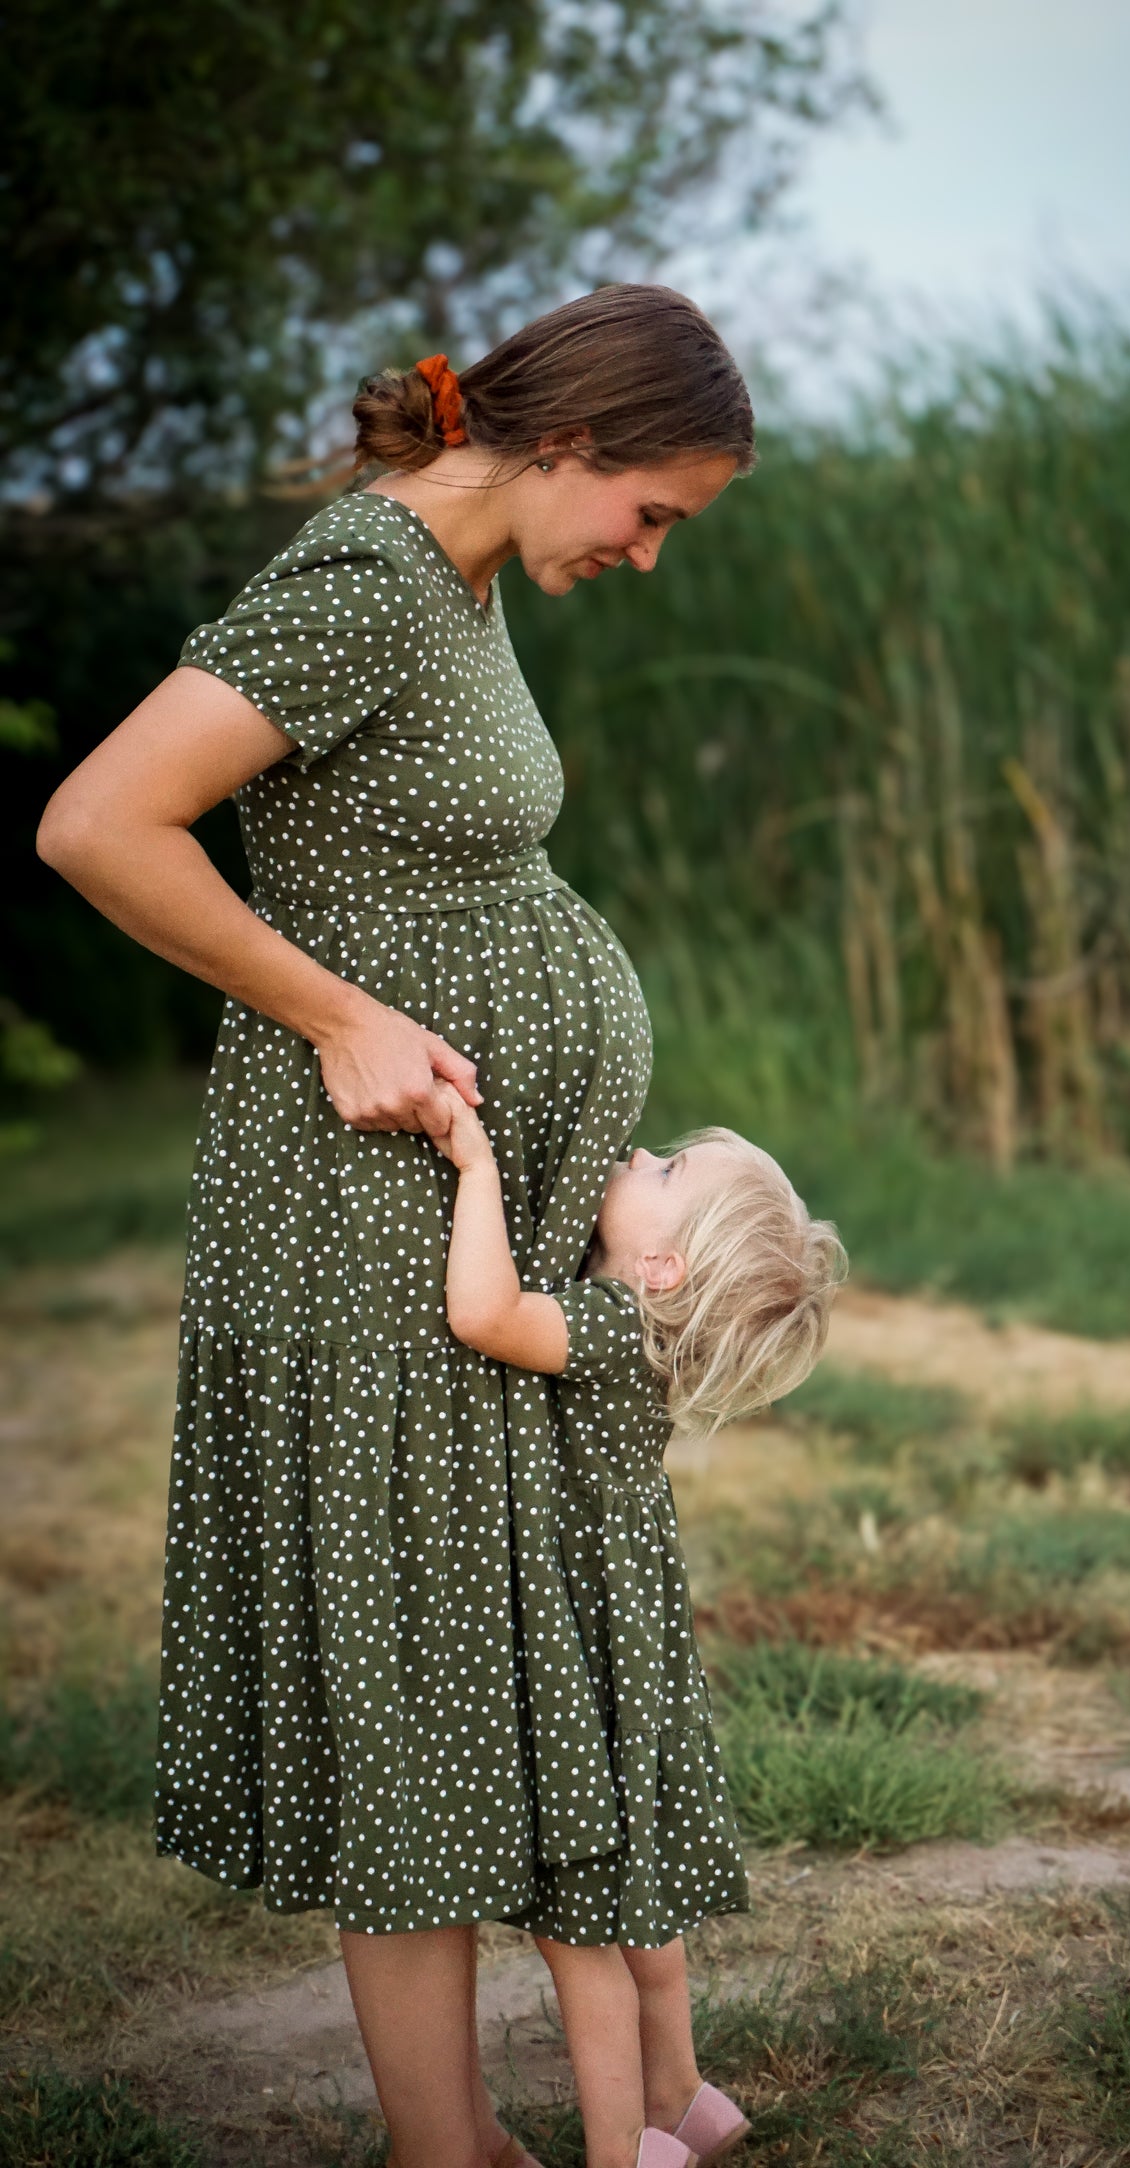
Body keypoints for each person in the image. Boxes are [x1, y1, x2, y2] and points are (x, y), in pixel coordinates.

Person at [36, 286, 753, 2168]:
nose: (650, 553)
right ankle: (452, 2152)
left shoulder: (460, 572)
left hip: (436, 1218)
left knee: (445, 1653)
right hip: (359, 1220)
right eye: (654, 510)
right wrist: (342, 1011)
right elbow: (102, 821)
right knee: (408, 1671)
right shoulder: (366, 571)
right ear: (574, 442)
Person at [429, 1089, 845, 2168]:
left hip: (580, 1652)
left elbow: (482, 1314)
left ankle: (624, 2151)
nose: (640, 1153)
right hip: (625, 1646)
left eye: (663, 1173)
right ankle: (680, 2092)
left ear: (660, 1269)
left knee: (581, 1932)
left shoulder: (609, 1325)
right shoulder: (646, 1341)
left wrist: (476, 1168)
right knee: (637, 1902)